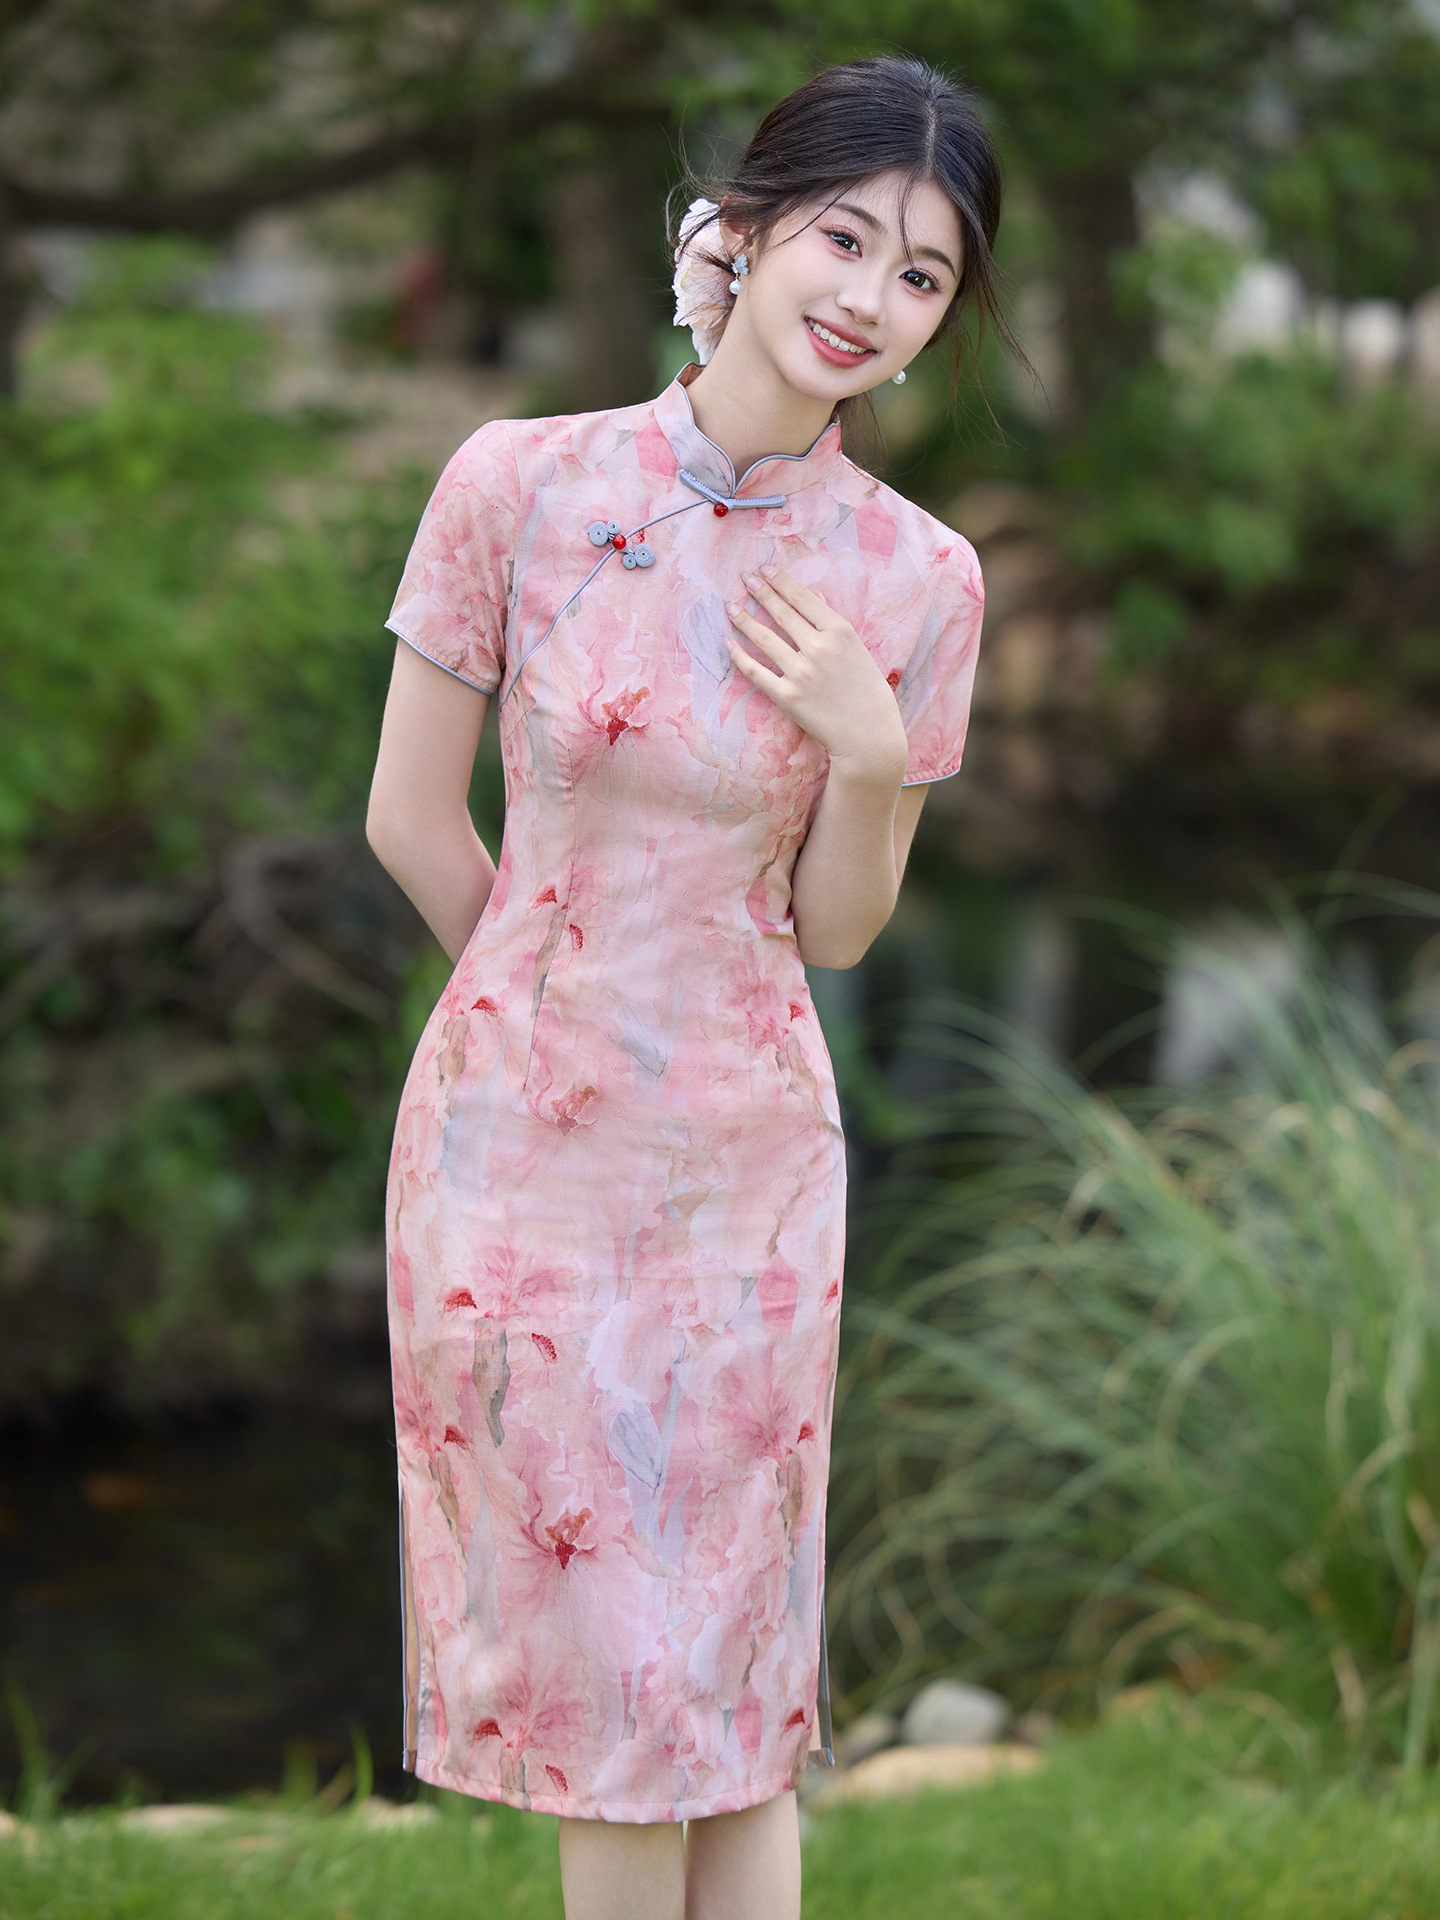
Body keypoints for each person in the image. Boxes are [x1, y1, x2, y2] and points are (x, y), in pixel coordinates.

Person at [365, 53, 1013, 1920]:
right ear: (740, 230)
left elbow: (838, 932)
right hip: (525, 1163)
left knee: (725, 1679)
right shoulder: (523, 484)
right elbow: (411, 818)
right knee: (604, 1695)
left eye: (923, 274)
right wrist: (543, 1024)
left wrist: (869, 755)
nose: (872, 297)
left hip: (749, 1182)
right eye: (845, 239)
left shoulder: (921, 578)